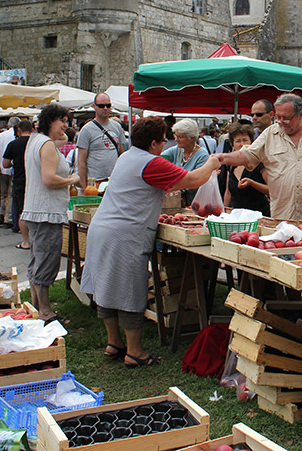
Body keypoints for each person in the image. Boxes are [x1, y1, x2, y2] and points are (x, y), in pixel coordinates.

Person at [80, 117, 221, 367]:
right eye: (164, 140)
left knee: (105, 287)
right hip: (124, 234)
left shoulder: (126, 157)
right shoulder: (150, 162)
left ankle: (114, 343)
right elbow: (193, 180)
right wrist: (211, 163)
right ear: (155, 143)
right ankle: (135, 353)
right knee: (128, 291)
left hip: (102, 228)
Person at [218, 94, 302, 221]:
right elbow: (246, 155)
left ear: (301, 114)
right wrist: (220, 158)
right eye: (278, 117)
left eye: (286, 118)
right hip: (282, 216)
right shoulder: (270, 134)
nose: (281, 122)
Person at [21, 104, 80, 324]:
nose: (66, 125)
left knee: (38, 259)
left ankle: (37, 306)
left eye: (67, 121)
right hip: (46, 212)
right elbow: (49, 178)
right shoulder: (46, 145)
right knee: (47, 261)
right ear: (49, 121)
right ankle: (45, 312)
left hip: (35, 210)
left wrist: (62, 134)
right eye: (62, 121)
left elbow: (61, 140)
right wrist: (71, 180)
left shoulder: (36, 140)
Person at [77, 93, 126, 187]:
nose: (105, 108)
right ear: (94, 106)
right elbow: (81, 161)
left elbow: (121, 155)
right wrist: (83, 185)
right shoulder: (86, 129)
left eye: (108, 105)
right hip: (95, 181)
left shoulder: (117, 126)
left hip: (114, 179)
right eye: (101, 106)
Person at [219, 123, 270, 214]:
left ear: (252, 143)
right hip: (237, 217)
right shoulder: (231, 165)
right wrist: (224, 212)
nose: (242, 144)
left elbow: (271, 190)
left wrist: (252, 183)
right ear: (232, 145)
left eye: (245, 140)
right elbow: (228, 192)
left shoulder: (259, 163)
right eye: (238, 141)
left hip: (258, 216)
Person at [162, 118, 209, 206]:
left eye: (180, 137)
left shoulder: (202, 155)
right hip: (177, 202)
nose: (176, 139)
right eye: (176, 136)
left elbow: (197, 181)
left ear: (191, 138)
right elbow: (160, 159)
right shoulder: (177, 150)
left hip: (194, 204)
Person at [3, 120, 33, 250]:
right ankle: (35, 239)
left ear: (19, 130)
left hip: (19, 179)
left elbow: (5, 164)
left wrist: (14, 163)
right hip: (34, 179)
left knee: (22, 211)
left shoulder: (13, 144)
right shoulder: (35, 143)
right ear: (32, 130)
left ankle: (26, 241)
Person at [0, 117, 19, 227]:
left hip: (3, 168)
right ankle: (8, 217)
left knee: (2, 193)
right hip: (14, 169)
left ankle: (0, 212)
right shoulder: (17, 136)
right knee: (11, 194)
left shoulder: (1, 135)